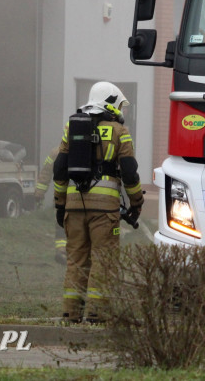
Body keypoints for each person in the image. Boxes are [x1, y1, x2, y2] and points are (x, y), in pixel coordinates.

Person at [53, 81, 143, 324]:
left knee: (76, 260)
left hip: (73, 206)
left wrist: (60, 205)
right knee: (103, 260)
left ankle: (70, 314)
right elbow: (130, 172)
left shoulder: (71, 127)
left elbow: (60, 168)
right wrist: (136, 202)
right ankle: (97, 314)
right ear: (110, 102)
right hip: (104, 212)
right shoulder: (119, 131)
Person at [33, 147, 67, 265]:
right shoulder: (88, 150)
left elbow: (46, 172)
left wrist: (39, 193)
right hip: (81, 198)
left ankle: (61, 251)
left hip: (61, 197)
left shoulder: (56, 152)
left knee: (61, 225)